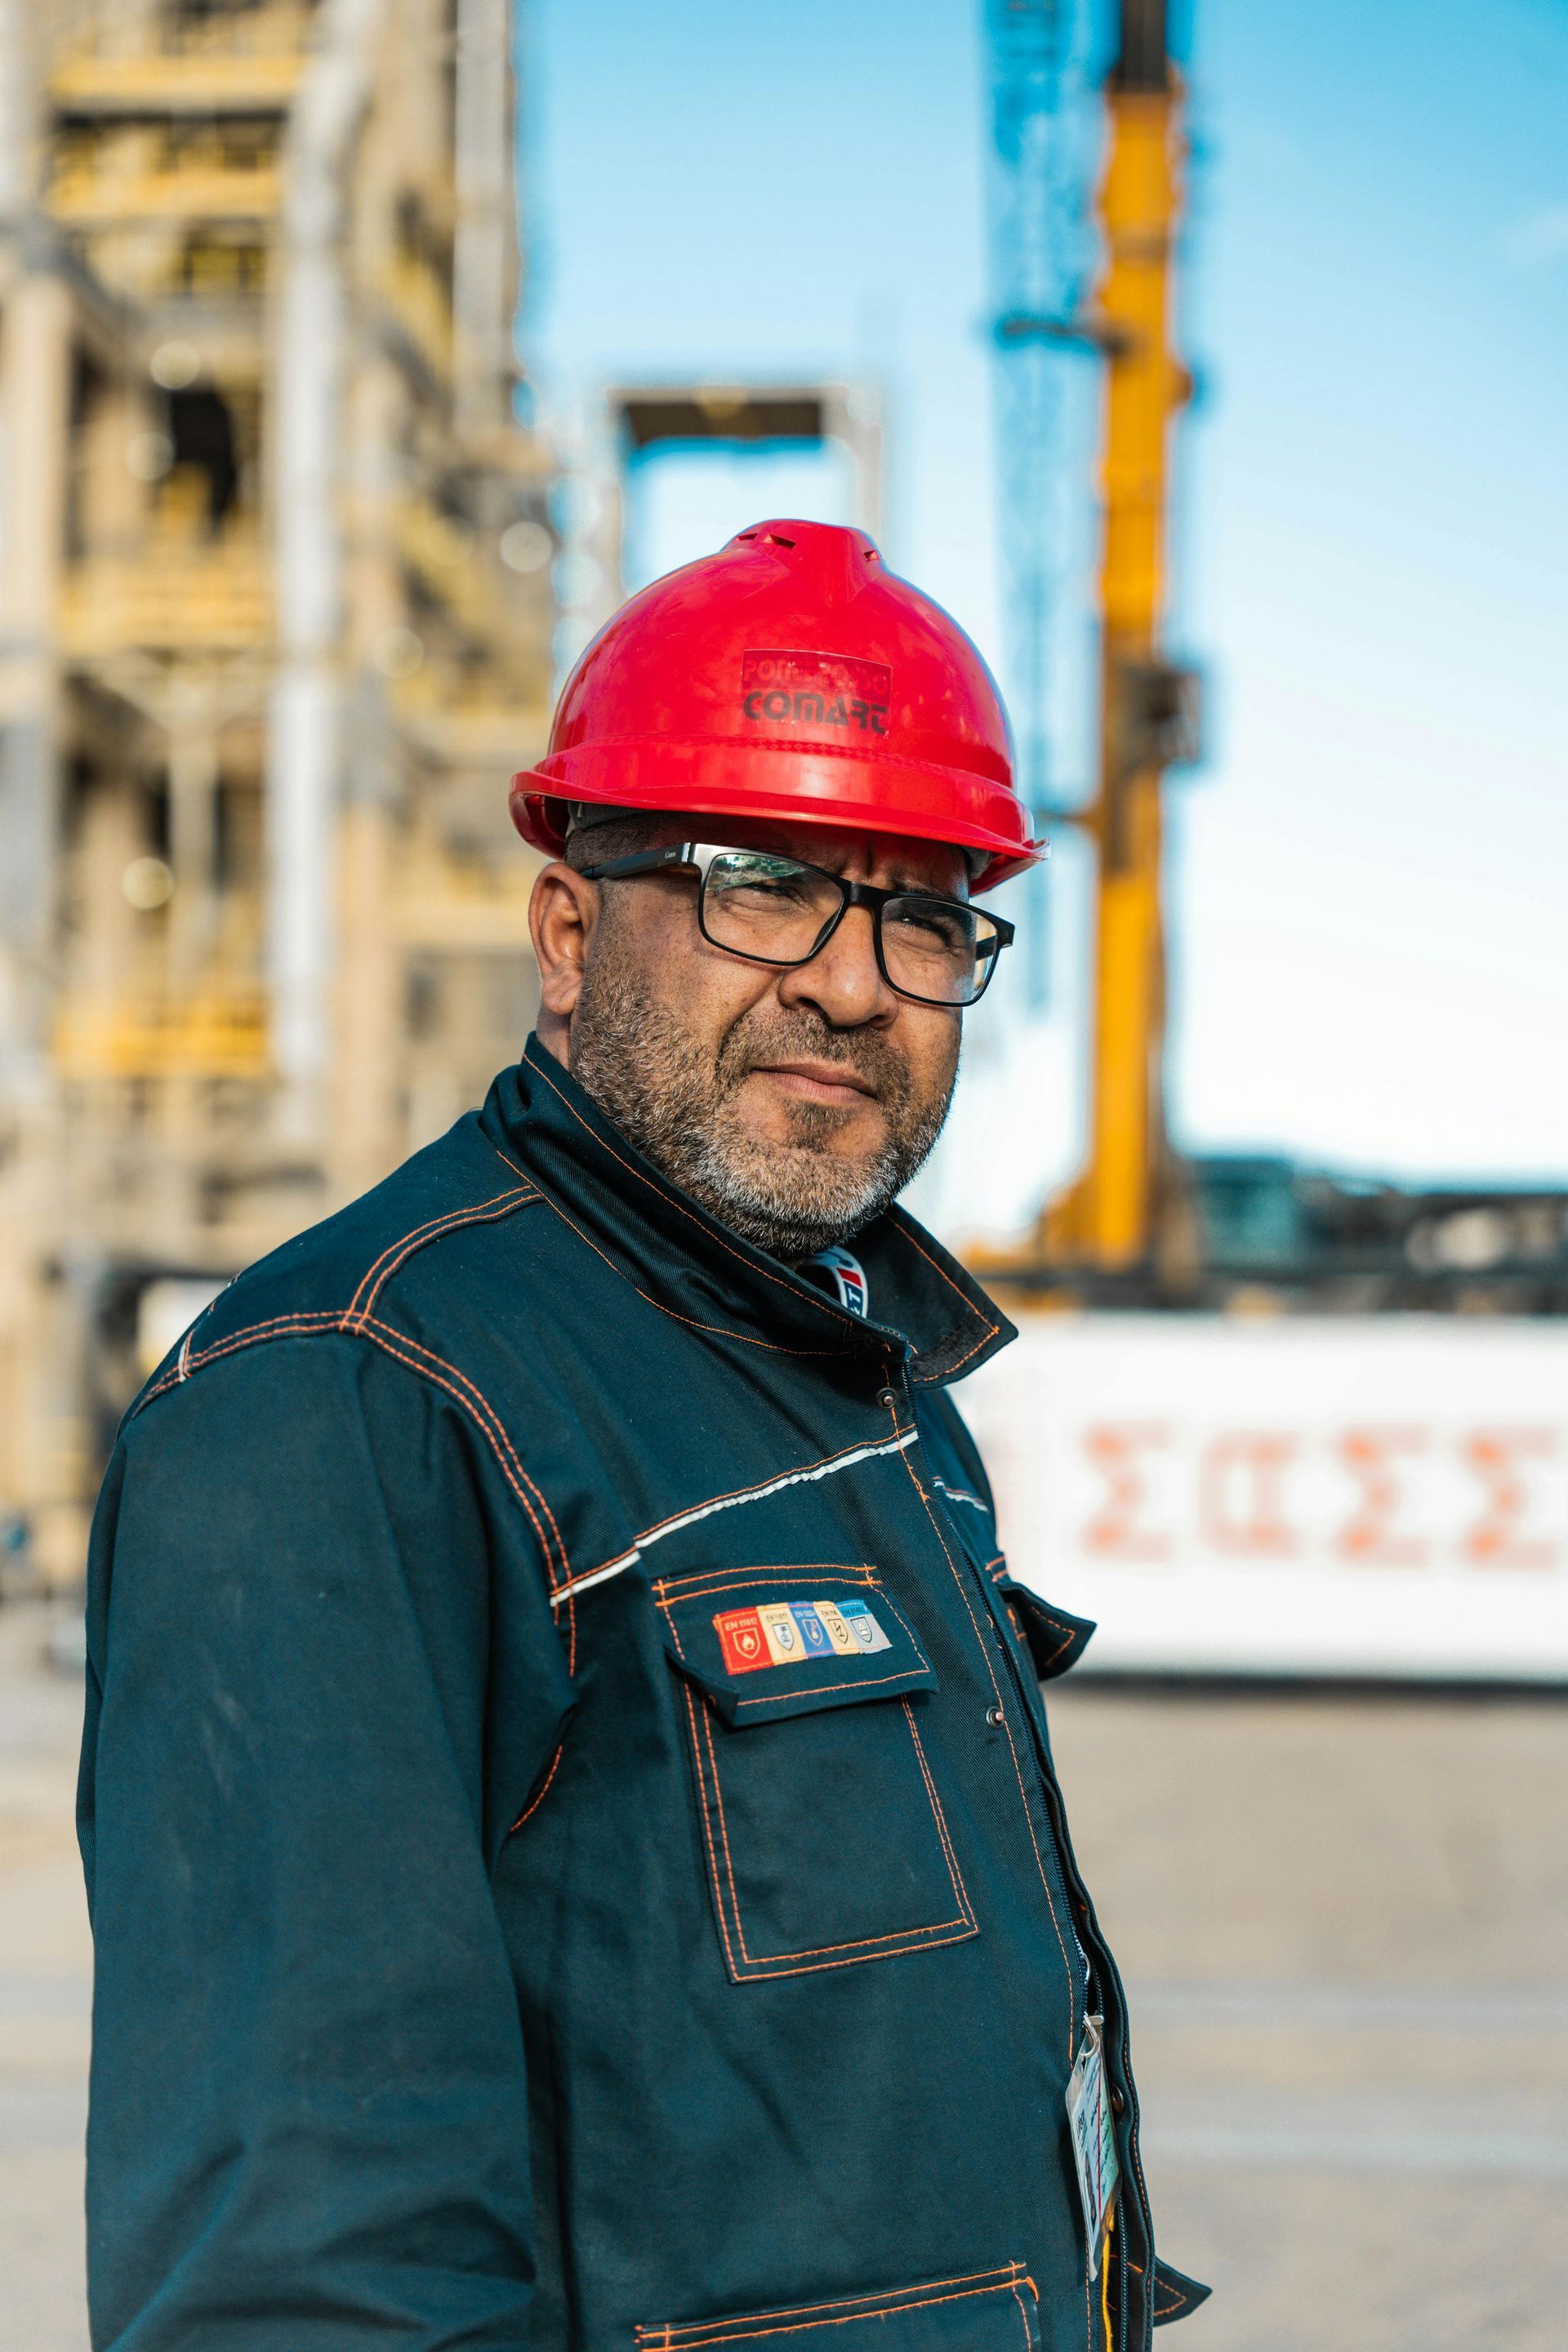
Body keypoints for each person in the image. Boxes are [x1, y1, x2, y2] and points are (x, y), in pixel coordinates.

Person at [79, 521, 1208, 2352]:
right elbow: (301, 2279)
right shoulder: (353, 1399)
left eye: (922, 912)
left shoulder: (859, 1372)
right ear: (569, 927)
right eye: (760, 880)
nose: (851, 981)